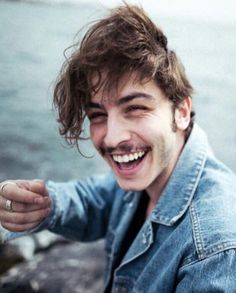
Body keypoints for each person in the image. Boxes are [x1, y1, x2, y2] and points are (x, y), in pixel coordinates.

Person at [1, 4, 236, 292]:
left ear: (181, 111)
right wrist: (43, 204)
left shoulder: (216, 247)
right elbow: (97, 200)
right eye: (98, 115)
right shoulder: (150, 173)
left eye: (135, 108)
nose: (111, 138)